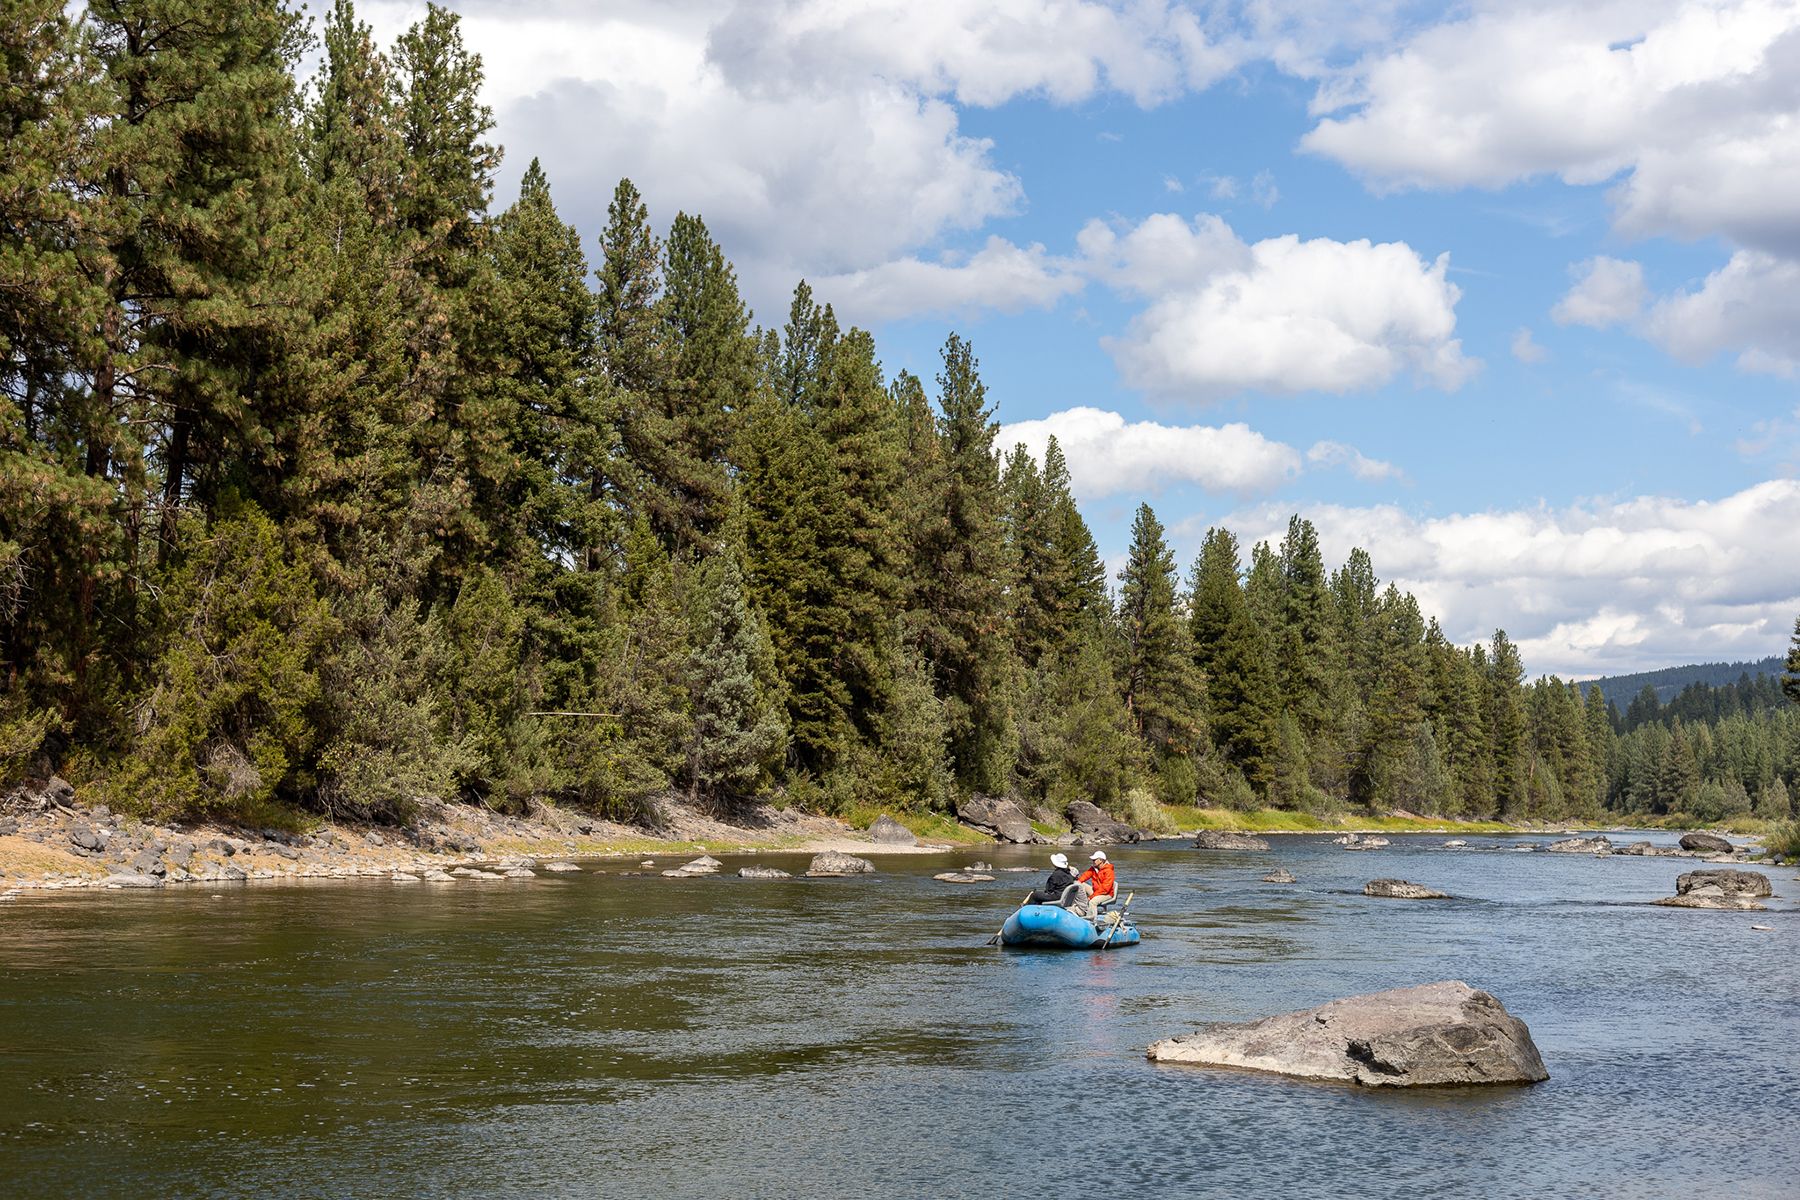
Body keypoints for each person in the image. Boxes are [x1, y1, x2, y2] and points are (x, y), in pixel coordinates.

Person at [1074, 850, 1115, 917]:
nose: (1093, 861)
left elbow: (1105, 889)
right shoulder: (1094, 868)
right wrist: (1076, 883)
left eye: (1094, 860)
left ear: (1101, 860)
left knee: (1092, 902)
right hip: (1097, 891)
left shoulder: (1109, 871)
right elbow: (1085, 875)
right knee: (1081, 885)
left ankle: (1092, 918)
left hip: (1106, 894)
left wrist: (1091, 897)